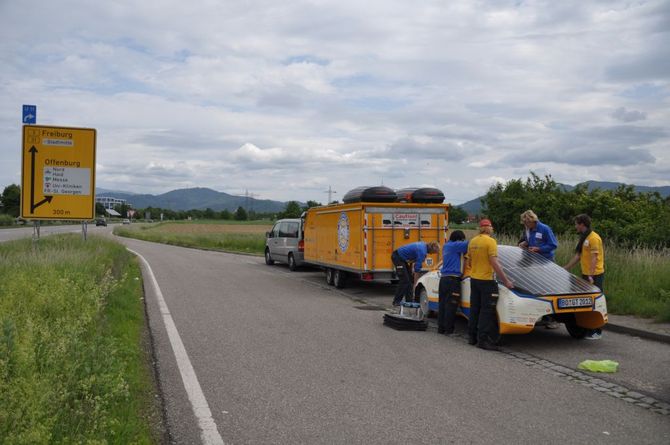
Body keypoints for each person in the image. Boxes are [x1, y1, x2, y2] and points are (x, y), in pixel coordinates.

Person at [467, 219, 513, 351]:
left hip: (474, 280)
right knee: (487, 311)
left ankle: (472, 337)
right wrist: (506, 281)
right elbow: (494, 262)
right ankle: (483, 340)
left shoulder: (473, 241)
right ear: (486, 228)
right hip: (487, 280)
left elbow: (469, 262)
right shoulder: (491, 241)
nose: (492, 229)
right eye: (491, 226)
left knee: (475, 309)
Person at [563, 214, 605, 340]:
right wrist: (565, 268)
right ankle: (589, 328)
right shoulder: (584, 237)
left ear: (582, 224)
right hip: (586, 274)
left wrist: (591, 275)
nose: (575, 226)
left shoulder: (594, 238)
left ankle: (597, 331)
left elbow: (594, 258)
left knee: (595, 302)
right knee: (587, 302)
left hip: (595, 274)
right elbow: (578, 256)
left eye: (576, 224)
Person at [517, 209, 560, 328]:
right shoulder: (528, 230)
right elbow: (529, 241)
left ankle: (552, 319)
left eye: (527, 223)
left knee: (549, 289)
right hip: (533, 263)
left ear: (532, 220)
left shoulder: (545, 228)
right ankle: (539, 316)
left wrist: (539, 249)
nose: (525, 225)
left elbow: (553, 245)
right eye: (524, 223)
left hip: (546, 263)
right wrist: (524, 243)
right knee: (537, 289)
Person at [391, 241, 441, 306]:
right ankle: (396, 301)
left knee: (409, 279)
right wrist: (416, 283)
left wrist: (411, 270)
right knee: (405, 280)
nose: (431, 254)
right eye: (433, 252)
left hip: (402, 258)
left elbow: (412, 257)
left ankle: (409, 300)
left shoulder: (423, 246)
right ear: (432, 248)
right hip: (397, 257)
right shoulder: (422, 251)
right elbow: (417, 269)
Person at [438, 230, 468, 335]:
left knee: (442, 305)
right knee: (451, 305)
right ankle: (449, 330)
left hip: (443, 279)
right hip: (453, 279)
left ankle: (441, 328)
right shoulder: (456, 245)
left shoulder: (446, 246)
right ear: (459, 239)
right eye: (462, 239)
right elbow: (472, 244)